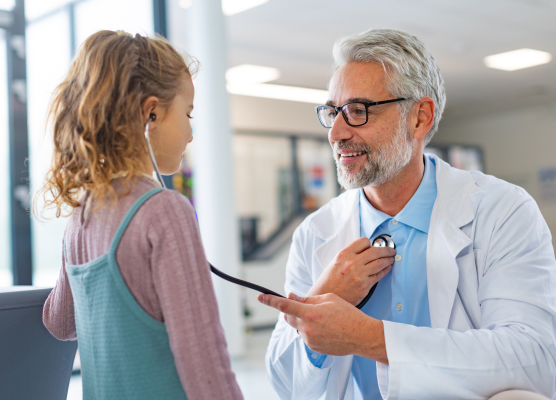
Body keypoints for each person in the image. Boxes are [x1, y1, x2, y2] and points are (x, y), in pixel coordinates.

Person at [260, 29, 556, 400]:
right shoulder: (316, 233)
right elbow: (286, 386)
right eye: (333, 112)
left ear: (419, 118)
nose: (336, 132)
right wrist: (323, 300)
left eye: (357, 111)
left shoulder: (501, 211)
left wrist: (367, 338)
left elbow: (536, 361)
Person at [38, 30, 243, 400]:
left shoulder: (81, 216)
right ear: (151, 113)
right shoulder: (164, 211)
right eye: (187, 113)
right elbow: (205, 368)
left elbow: (59, 322)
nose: (192, 134)